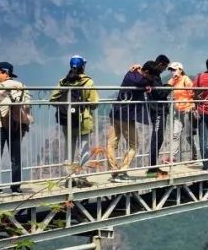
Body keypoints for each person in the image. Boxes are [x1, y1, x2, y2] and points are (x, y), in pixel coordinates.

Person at [50, 55, 99, 188]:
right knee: (84, 150)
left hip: (67, 121)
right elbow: (95, 103)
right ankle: (82, 178)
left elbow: (52, 99)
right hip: (84, 120)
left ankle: (69, 179)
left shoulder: (63, 82)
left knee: (69, 150)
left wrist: (65, 107)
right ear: (83, 66)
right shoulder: (88, 82)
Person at [0, 61, 27, 198]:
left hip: (0, 124)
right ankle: (16, 187)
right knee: (15, 156)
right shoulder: (20, 86)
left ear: (5, 73)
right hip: (16, 124)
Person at [107, 62, 149, 181]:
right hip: (126, 116)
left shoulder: (129, 75)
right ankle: (123, 170)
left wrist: (134, 70)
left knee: (111, 144)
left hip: (115, 112)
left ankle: (114, 170)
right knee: (134, 144)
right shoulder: (142, 81)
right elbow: (143, 83)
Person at [144, 54, 171, 177]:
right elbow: (160, 93)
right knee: (157, 137)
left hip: (158, 109)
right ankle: (152, 168)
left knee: (158, 137)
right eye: (165, 66)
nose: (165, 69)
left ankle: (153, 166)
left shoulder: (156, 76)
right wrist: (169, 86)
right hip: (158, 110)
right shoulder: (154, 76)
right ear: (161, 64)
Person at [166, 61, 196, 166]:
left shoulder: (185, 79)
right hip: (177, 110)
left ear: (180, 70)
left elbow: (192, 93)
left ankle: (194, 154)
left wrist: (192, 107)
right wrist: (172, 80)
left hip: (187, 109)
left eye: (174, 70)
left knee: (188, 135)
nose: (172, 72)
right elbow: (168, 90)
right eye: (171, 70)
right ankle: (172, 157)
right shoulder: (173, 81)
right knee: (175, 134)